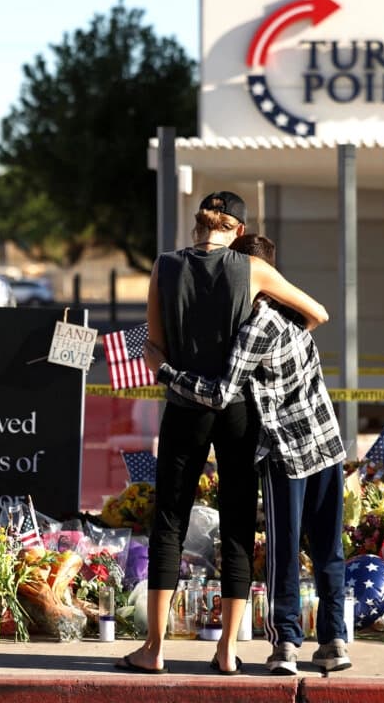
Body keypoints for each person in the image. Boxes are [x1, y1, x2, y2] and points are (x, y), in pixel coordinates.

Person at [118, 192, 328, 676]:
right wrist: (264, 345)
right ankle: (228, 650)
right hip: (238, 410)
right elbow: (316, 313)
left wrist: (174, 366)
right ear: (237, 230)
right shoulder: (251, 268)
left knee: (169, 521)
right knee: (236, 522)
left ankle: (154, 648)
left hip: (184, 407)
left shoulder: (164, 267)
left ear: (199, 227)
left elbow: (155, 348)